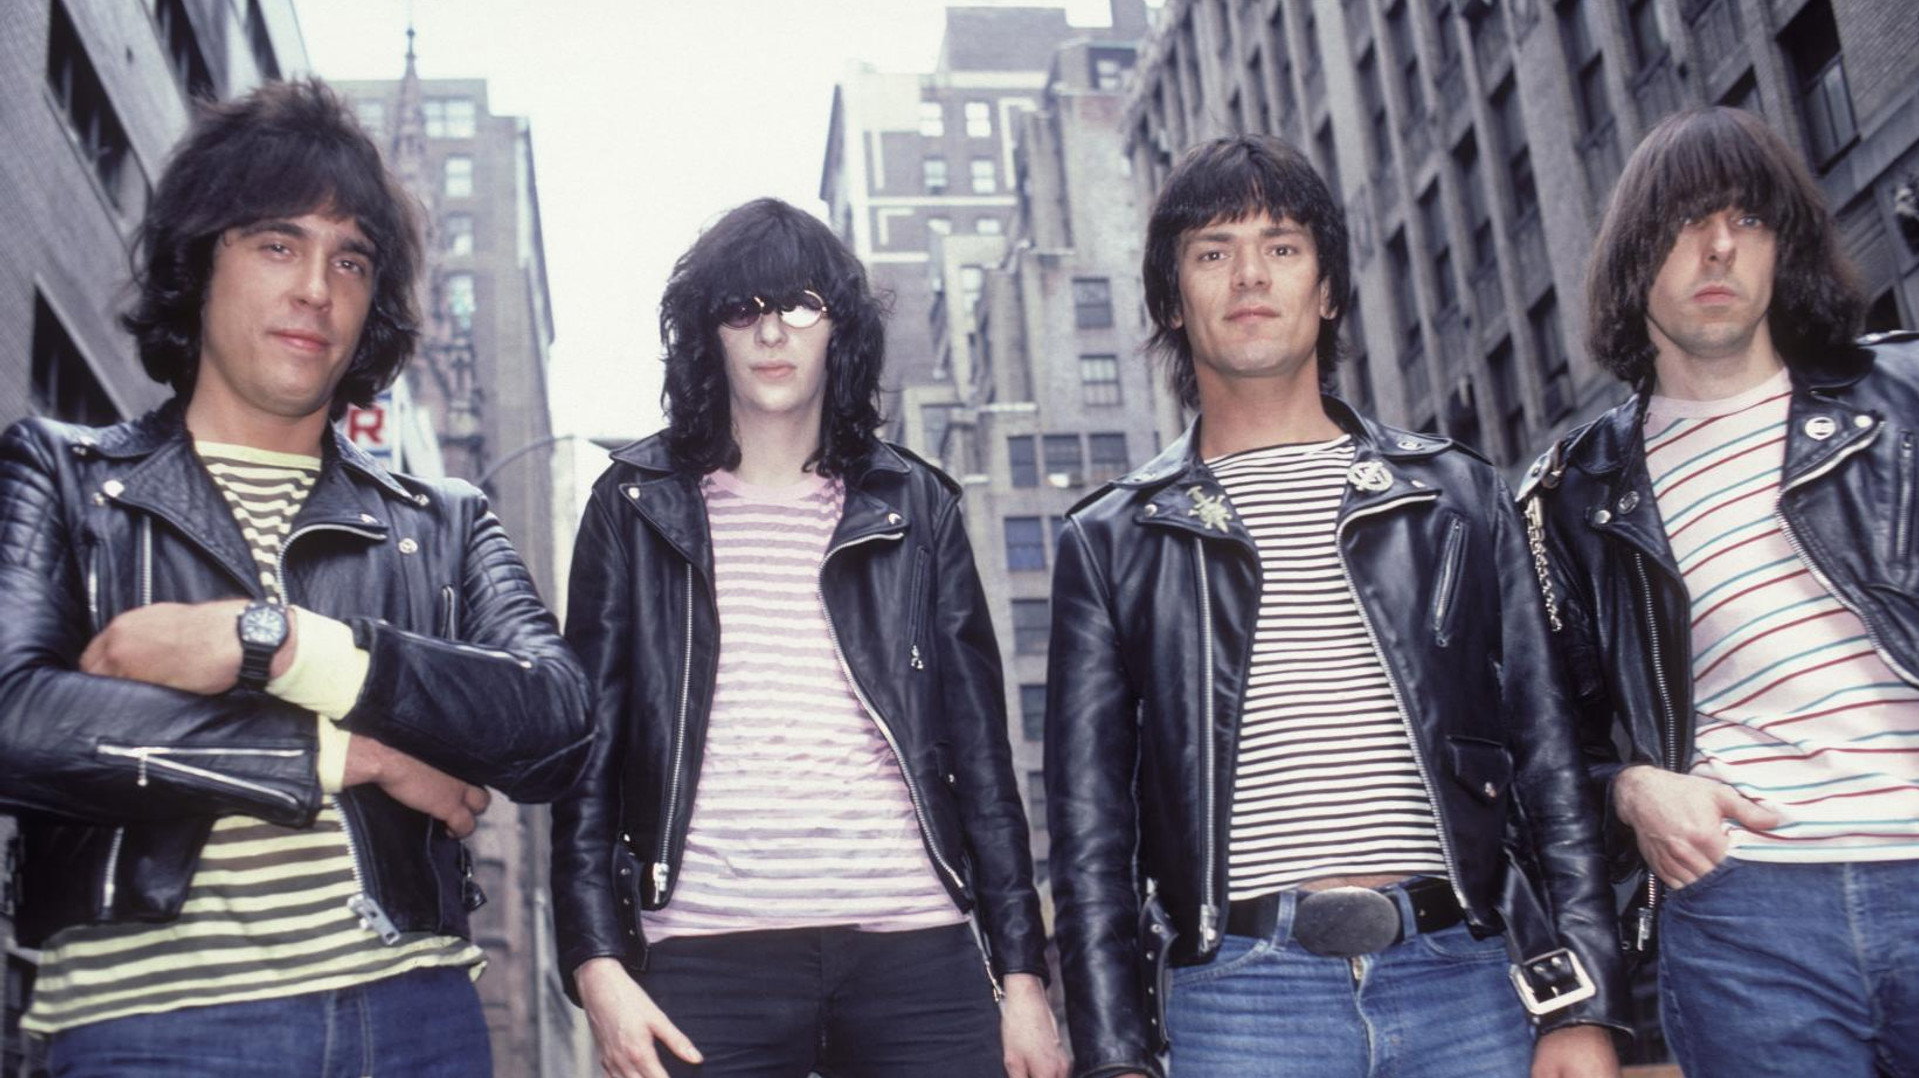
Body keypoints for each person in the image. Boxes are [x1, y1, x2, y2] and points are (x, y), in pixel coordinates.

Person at [0, 79, 592, 1075]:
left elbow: (557, 725)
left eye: (349, 259)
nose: (317, 287)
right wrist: (344, 754)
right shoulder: (66, 479)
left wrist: (274, 645)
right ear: (200, 262)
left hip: (420, 1027)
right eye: (278, 244)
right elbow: (17, 725)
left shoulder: (441, 520)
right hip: (157, 1030)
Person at [1044, 135, 1624, 1078]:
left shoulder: (1455, 495)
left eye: (1281, 247)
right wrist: (1115, 1055)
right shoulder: (1111, 537)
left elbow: (1548, 762)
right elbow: (1088, 836)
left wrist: (1584, 1004)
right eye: (1211, 251)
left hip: (1468, 977)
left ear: (1327, 290)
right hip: (1238, 1001)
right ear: (1170, 300)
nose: (1249, 275)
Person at [550, 197, 1066, 1078]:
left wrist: (1022, 976)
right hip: (705, 957)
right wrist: (595, 963)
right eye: (741, 308)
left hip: (915, 949)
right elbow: (587, 754)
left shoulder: (916, 505)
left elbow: (981, 756)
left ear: (839, 327)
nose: (770, 332)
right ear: (707, 332)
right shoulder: (633, 506)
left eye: (799, 305)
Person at [1521, 105, 1919, 1077]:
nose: (1717, 247)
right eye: (1683, 222)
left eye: (1747, 218)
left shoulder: (1903, 396)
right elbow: (1539, 745)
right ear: (1632, 262)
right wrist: (1628, 789)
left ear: (1785, 246)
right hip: (1747, 917)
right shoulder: (1575, 491)